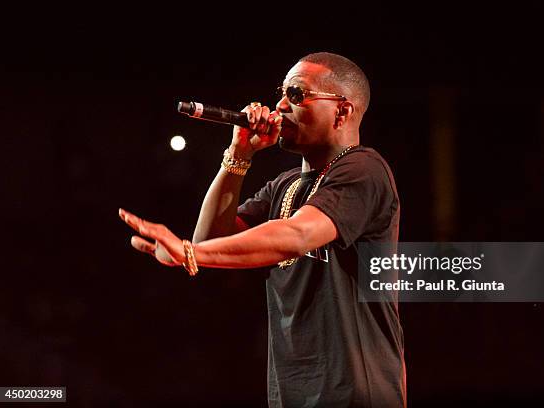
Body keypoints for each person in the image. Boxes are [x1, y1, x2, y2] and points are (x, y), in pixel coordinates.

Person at [119, 52, 406, 407]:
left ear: (342, 111)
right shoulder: (283, 185)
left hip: (355, 392)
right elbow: (211, 242)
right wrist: (238, 155)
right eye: (281, 93)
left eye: (297, 95)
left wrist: (189, 253)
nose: (281, 105)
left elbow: (298, 235)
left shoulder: (363, 169)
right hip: (293, 391)